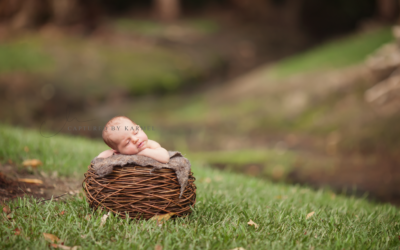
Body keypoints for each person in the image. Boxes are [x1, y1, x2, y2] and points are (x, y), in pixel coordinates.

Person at [97, 116, 169, 163]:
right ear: (117, 150)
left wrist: (142, 152)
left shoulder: (150, 145)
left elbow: (165, 158)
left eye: (136, 133)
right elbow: (98, 160)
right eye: (127, 142)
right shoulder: (117, 152)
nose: (135, 139)